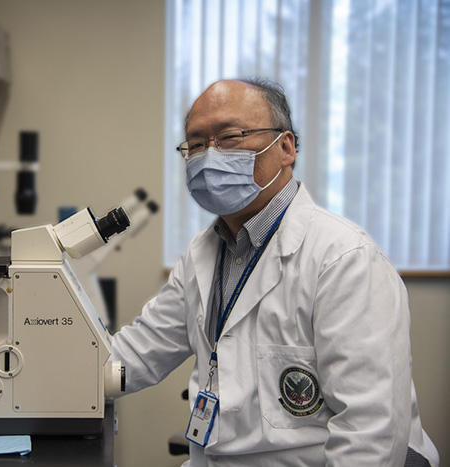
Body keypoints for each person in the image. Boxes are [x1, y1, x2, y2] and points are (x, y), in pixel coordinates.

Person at [110, 78, 439, 466]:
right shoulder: (202, 254)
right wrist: (49, 375)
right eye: (196, 145)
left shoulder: (344, 259)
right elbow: (137, 355)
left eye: (229, 137)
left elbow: (370, 433)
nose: (208, 156)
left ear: (286, 148)